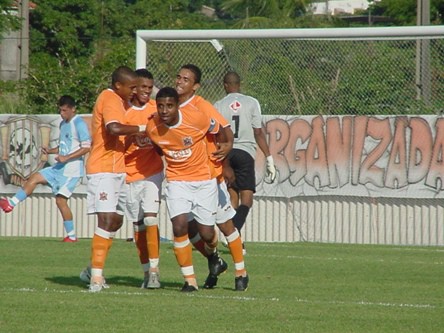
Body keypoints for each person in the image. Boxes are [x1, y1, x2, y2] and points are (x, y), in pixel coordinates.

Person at [146, 86, 227, 292]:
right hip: (176, 182)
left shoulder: (196, 119)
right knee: (179, 226)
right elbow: (159, 147)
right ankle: (190, 281)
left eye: (169, 106)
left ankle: (214, 255)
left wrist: (229, 145)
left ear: (178, 106)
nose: (164, 111)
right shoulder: (152, 127)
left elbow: (221, 128)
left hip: (203, 181)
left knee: (207, 233)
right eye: (160, 106)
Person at [176, 64, 249, 291]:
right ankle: (213, 260)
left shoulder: (202, 107)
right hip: (181, 179)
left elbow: (224, 130)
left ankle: (241, 272)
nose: (179, 81)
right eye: (178, 77)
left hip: (209, 177)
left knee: (222, 226)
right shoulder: (168, 105)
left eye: (186, 79)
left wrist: (225, 157)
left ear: (195, 86)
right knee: (186, 228)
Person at [80, 66, 147, 293]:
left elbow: (119, 137)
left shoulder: (120, 102)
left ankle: (91, 268)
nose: (135, 91)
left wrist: (135, 137)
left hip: (117, 169)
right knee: (107, 219)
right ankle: (95, 279)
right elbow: (114, 128)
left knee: (116, 220)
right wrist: (142, 128)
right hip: (103, 169)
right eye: (132, 87)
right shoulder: (109, 98)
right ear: (119, 85)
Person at [0, 95, 91, 243]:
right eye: (60, 110)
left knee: (61, 201)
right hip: (59, 167)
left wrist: (66, 158)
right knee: (35, 178)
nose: (62, 113)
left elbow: (86, 147)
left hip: (71, 171)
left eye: (64, 110)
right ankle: (11, 204)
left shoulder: (78, 123)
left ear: (73, 109)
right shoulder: (63, 124)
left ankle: (72, 236)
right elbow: (64, 146)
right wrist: (50, 151)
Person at [214, 71, 277, 254]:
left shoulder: (218, 105)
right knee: (247, 199)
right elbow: (258, 132)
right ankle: (233, 230)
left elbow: (216, 133)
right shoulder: (251, 102)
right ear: (239, 84)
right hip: (245, 152)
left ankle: (237, 243)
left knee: (232, 197)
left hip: (225, 153)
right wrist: (269, 157)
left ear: (225, 85)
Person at [124, 68, 163, 289]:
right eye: (143, 88)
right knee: (138, 225)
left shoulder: (155, 110)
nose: (147, 92)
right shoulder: (124, 111)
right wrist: (133, 136)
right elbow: (117, 141)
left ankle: (156, 272)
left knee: (150, 219)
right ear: (134, 88)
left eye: (150, 88)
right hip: (130, 174)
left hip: (152, 173)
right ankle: (146, 272)